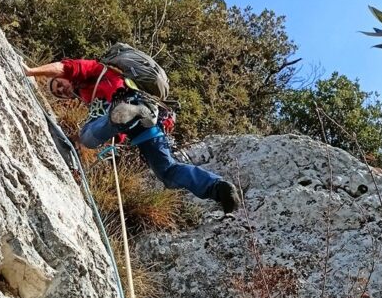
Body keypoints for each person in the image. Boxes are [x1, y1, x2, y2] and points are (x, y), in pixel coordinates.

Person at [25, 57, 241, 213]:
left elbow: (64, 66)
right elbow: (116, 137)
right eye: (57, 93)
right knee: (167, 171)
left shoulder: (93, 69)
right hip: (145, 124)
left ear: (64, 77)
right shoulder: (88, 95)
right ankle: (218, 188)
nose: (60, 90)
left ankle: (123, 114)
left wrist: (30, 71)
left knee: (87, 136)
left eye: (58, 84)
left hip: (127, 105)